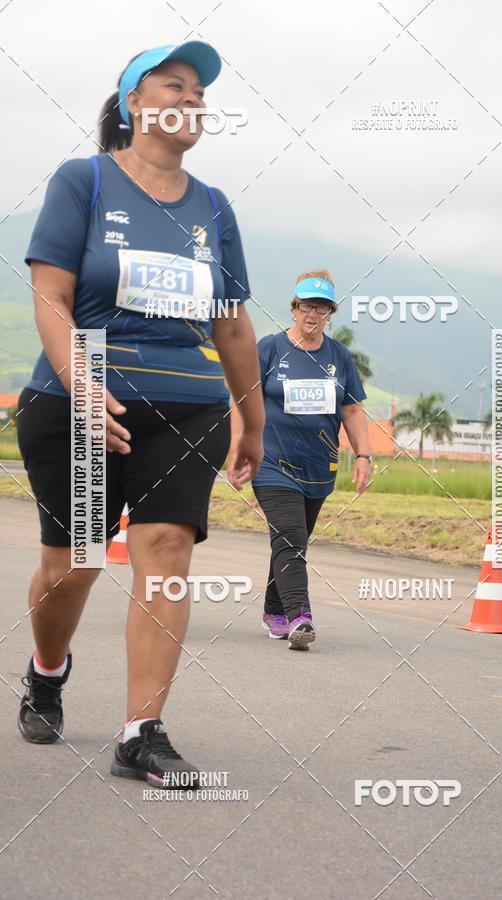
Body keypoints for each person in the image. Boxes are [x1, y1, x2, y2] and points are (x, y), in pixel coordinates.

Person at [16, 41, 264, 785]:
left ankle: (141, 732)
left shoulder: (213, 208)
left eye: (198, 93)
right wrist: (86, 386)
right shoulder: (83, 181)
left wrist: (252, 420)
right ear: (133, 103)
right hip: (79, 407)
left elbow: (232, 325)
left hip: (187, 409)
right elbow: (49, 296)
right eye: (174, 87)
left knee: (165, 548)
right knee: (75, 567)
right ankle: (47, 667)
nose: (191, 101)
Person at [246, 270, 371, 649]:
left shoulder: (339, 357)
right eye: (305, 306)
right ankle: (301, 617)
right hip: (271, 463)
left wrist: (363, 455)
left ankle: (274, 611)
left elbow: (351, 410)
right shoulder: (269, 349)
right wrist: (240, 446)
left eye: (320, 307)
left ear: (330, 312)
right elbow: (243, 399)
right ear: (294, 307)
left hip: (319, 467)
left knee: (290, 541)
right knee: (292, 537)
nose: (312, 314)